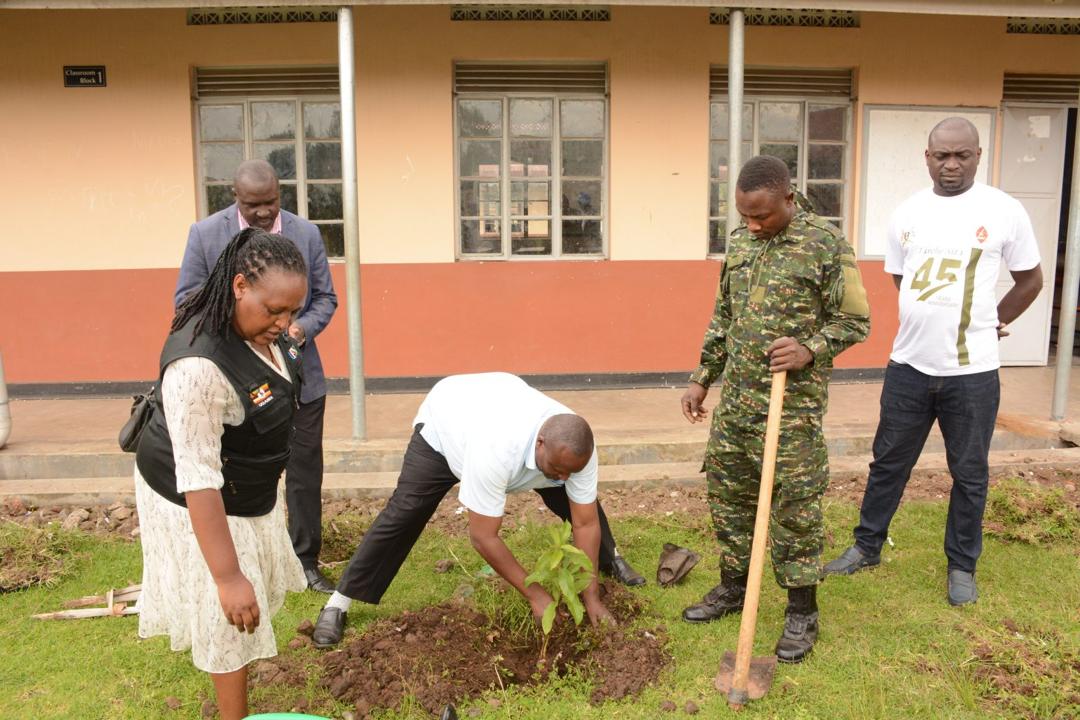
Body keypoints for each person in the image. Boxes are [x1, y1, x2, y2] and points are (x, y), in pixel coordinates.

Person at [824, 118, 1043, 606]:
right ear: (927, 157)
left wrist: (994, 321)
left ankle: (962, 565)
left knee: (969, 472)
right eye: (942, 155)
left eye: (962, 155)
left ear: (978, 155)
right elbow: (903, 279)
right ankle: (866, 546)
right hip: (909, 367)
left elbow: (1030, 280)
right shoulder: (907, 212)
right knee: (888, 463)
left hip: (972, 373)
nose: (951, 165)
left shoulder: (1004, 211)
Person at [680, 155, 870, 663]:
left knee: (795, 510)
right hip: (737, 406)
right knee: (730, 499)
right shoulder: (742, 242)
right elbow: (724, 315)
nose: (752, 225)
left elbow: (856, 321)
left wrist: (810, 348)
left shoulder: (826, 245)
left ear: (789, 198)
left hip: (792, 411)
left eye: (761, 215)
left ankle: (801, 610)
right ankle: (734, 586)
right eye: (744, 215)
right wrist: (702, 377)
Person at [310, 372, 644, 648]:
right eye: (559, 469)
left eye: (572, 471)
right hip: (446, 427)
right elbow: (484, 537)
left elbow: (585, 523)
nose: (565, 477)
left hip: (501, 404)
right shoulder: (496, 449)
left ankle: (610, 559)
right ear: (541, 443)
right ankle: (338, 604)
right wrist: (536, 595)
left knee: (582, 502)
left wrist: (591, 597)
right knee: (404, 513)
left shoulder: (574, 449)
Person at [135, 228, 310, 720]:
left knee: (248, 603)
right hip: (197, 497)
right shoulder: (196, 369)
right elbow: (198, 481)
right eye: (274, 310)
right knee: (227, 614)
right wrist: (228, 576)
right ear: (238, 286)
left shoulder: (264, 332)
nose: (284, 323)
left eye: (292, 311)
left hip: (241, 482)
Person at [176, 159, 339, 593]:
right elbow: (187, 300)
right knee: (241, 470)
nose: (264, 212)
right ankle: (240, 562)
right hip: (236, 383)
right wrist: (239, 335)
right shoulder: (206, 235)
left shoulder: (306, 234)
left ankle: (305, 562)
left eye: (271, 201)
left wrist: (297, 330)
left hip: (301, 380)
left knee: (304, 471)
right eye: (253, 205)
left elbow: (325, 298)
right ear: (236, 198)